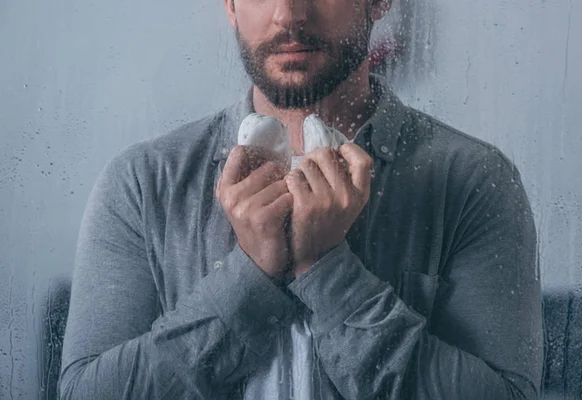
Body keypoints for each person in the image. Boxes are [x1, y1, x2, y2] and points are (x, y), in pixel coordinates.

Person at [59, 0, 544, 398]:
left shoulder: (475, 181)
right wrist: (250, 277)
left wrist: (327, 270)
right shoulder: (143, 183)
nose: (289, 13)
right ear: (229, 4)